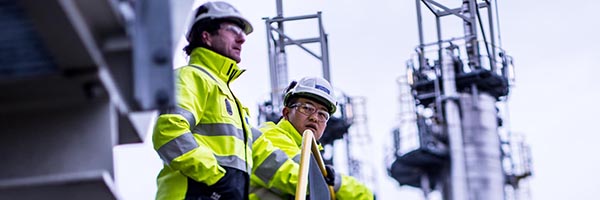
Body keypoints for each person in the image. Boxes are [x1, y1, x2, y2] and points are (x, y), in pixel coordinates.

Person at [152, 2, 258, 200]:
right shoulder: (191, 77)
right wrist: (217, 179)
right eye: (233, 29)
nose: (242, 38)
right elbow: (169, 132)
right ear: (206, 36)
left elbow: (262, 151)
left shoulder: (228, 96)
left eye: (242, 33)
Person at [250, 77, 374, 200]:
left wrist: (334, 180)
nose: (314, 117)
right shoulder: (270, 136)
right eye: (307, 108)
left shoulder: (311, 151)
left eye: (322, 114)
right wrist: (332, 181)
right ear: (286, 113)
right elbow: (308, 179)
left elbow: (365, 195)